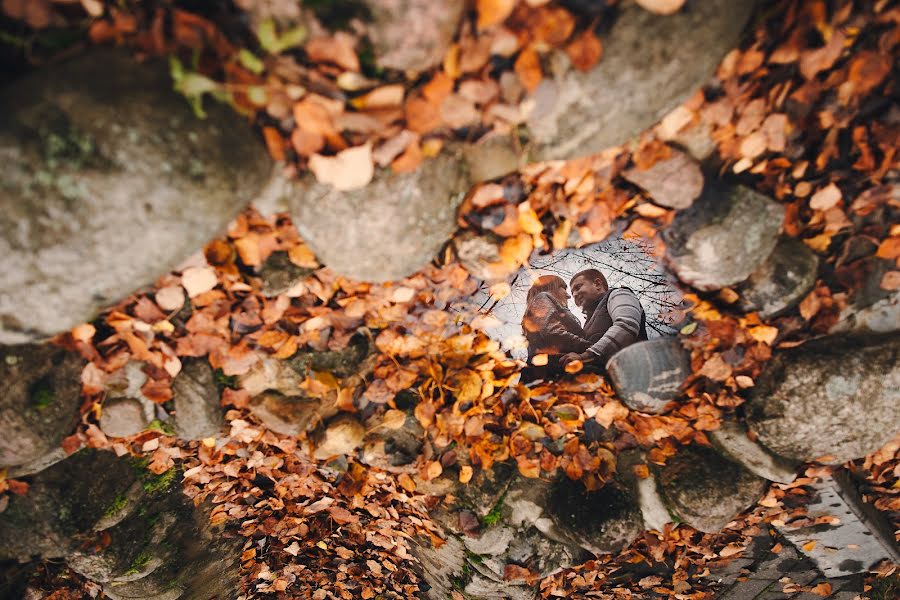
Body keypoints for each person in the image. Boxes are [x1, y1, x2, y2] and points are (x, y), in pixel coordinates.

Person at [560, 268, 647, 370]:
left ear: (597, 284)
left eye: (578, 287)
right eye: (572, 292)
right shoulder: (587, 322)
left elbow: (627, 325)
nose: (574, 294)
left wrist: (585, 356)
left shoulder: (618, 294)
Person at [521, 275, 590, 376]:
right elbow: (553, 332)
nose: (568, 295)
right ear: (552, 287)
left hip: (546, 369)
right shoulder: (543, 297)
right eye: (563, 288)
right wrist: (590, 348)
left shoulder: (540, 304)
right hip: (552, 370)